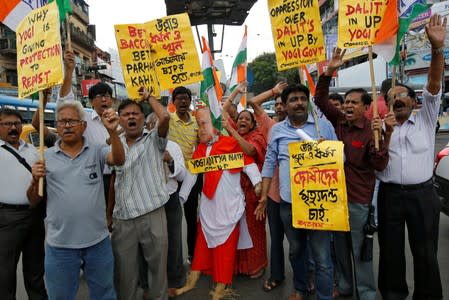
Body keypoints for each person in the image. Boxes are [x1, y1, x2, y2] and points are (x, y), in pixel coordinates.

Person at [376, 14, 446, 300]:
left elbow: (433, 84)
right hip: (390, 195)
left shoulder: (427, 118)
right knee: (391, 251)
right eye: (392, 97)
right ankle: (394, 294)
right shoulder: (380, 128)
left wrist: (438, 49)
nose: (398, 100)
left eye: (403, 96)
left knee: (425, 251)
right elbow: (373, 160)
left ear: (414, 101)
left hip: (422, 195)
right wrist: (386, 132)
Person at [314, 47, 392, 300]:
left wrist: (385, 136)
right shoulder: (339, 122)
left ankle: (367, 293)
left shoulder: (372, 130)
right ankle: (346, 286)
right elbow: (321, 99)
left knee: (360, 251)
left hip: (358, 200)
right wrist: (329, 70)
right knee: (340, 248)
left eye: (353, 103)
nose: (347, 106)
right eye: (346, 102)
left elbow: (379, 165)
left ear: (366, 107)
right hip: (335, 198)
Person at [28, 100, 125, 300]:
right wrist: (34, 180)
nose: (67, 126)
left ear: (84, 125)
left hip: (97, 242)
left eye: (72, 121)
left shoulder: (97, 150)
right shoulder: (46, 157)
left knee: (104, 294)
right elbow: (33, 200)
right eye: (62, 122)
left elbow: (119, 160)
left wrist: (113, 132)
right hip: (60, 246)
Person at [173, 107, 262, 300]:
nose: (200, 129)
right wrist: (183, 195)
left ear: (215, 125)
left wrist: (257, 183)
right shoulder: (200, 149)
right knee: (201, 247)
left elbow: (249, 164)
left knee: (226, 251)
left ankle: (220, 290)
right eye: (198, 125)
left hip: (229, 208)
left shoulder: (231, 143)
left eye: (204, 124)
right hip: (208, 208)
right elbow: (192, 173)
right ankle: (192, 282)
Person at [260, 84, 338, 300]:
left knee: (322, 257)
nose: (299, 103)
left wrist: (326, 152)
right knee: (296, 251)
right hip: (289, 204)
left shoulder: (324, 127)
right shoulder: (277, 130)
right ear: (284, 105)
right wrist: (263, 197)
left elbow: (342, 159)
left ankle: (324, 296)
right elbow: (269, 163)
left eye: (303, 98)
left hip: (318, 204)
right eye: (293, 99)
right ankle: (301, 289)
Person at [111, 93, 170, 300]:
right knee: (125, 273)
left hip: (152, 213)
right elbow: (113, 179)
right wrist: (109, 215)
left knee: (157, 269)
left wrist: (148, 97)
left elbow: (164, 118)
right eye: (126, 114)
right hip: (123, 218)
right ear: (120, 120)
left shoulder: (154, 139)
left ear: (143, 119)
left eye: (135, 113)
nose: (131, 117)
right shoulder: (113, 142)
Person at [0, 108, 47, 300]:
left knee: (35, 270)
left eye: (16, 123)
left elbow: (38, 126)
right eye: (7, 124)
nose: (13, 127)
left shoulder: (32, 149)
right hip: (7, 218)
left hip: (35, 215)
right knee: (5, 274)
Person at [58, 50, 116, 202]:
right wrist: (69, 71)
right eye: (99, 96)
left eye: (107, 96)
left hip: (118, 178)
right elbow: (65, 100)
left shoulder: (121, 122)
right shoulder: (84, 121)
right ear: (91, 102)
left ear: (112, 100)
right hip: (94, 179)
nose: (104, 99)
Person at [139, 113, 187, 297]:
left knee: (173, 242)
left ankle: (174, 280)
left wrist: (170, 161)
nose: (157, 129)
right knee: (146, 243)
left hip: (169, 199)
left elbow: (182, 175)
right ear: (148, 126)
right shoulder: (139, 145)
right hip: (146, 201)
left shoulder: (173, 146)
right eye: (153, 125)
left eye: (161, 126)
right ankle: (146, 284)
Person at [248, 81, 288, 292]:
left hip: (298, 195)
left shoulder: (309, 127)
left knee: (301, 242)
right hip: (273, 194)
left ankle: (306, 278)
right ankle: (277, 275)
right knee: (277, 239)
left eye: (284, 103)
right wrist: (273, 91)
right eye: (278, 103)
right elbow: (253, 102)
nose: (280, 107)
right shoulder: (270, 125)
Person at [222, 108, 267, 278]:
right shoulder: (235, 134)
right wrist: (237, 91)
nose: (243, 121)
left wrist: (231, 130)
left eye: (247, 119)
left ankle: (256, 266)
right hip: (233, 192)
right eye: (240, 118)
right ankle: (239, 266)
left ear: (253, 124)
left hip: (252, 193)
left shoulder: (257, 137)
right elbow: (224, 110)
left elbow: (250, 151)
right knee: (236, 229)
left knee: (254, 230)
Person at [168, 86, 200, 262]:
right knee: (172, 220)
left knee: (191, 216)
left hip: (190, 176)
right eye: (179, 98)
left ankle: (193, 254)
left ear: (190, 101)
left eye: (186, 98)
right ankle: (171, 258)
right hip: (170, 175)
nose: (183, 101)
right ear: (173, 102)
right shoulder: (167, 119)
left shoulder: (196, 122)